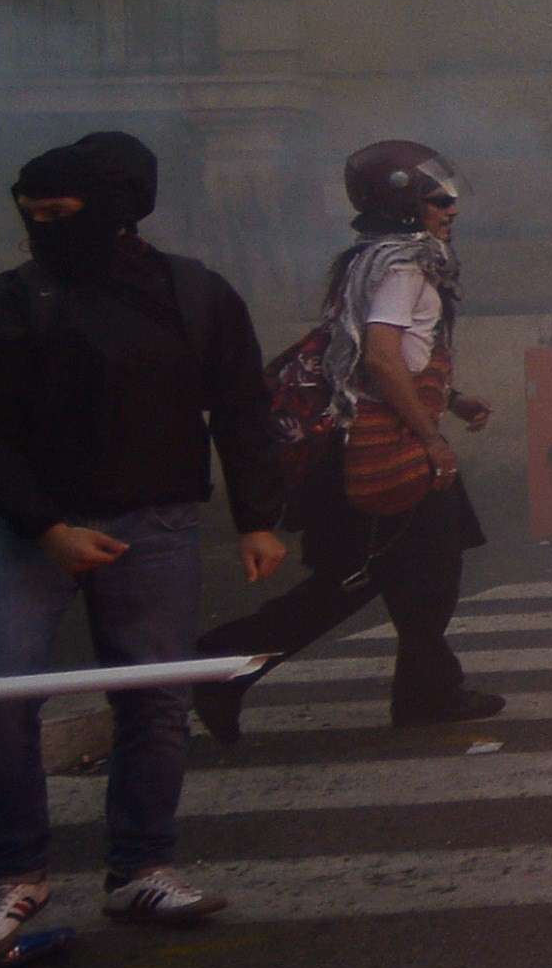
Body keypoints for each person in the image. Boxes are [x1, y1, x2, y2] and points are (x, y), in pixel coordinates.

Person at [0, 131, 288, 965]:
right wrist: (47, 528)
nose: (41, 228)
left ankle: (141, 867)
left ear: (118, 212)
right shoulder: (11, 300)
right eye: (31, 215)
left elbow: (241, 406)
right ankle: (14, 876)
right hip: (29, 531)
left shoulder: (195, 295)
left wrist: (257, 516)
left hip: (156, 525)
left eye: (59, 214)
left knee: (156, 702)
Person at [192, 140, 500, 739]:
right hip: (385, 450)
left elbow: (375, 352)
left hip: (373, 442)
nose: (452, 207)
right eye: (438, 197)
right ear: (404, 200)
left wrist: (453, 397)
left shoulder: (380, 258)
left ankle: (427, 691)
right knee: (374, 580)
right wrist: (431, 435)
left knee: (396, 575)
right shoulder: (403, 264)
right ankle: (222, 663)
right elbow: (383, 360)